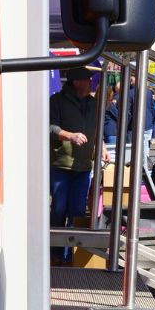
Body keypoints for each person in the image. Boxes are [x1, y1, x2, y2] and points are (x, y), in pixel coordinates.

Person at [49, 68, 101, 261]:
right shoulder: (57, 101)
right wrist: (70, 136)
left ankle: (72, 256)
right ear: (76, 81)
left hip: (84, 165)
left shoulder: (93, 103)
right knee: (59, 209)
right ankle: (55, 253)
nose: (91, 82)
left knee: (78, 211)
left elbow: (96, 128)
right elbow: (49, 127)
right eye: (88, 79)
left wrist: (101, 146)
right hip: (61, 164)